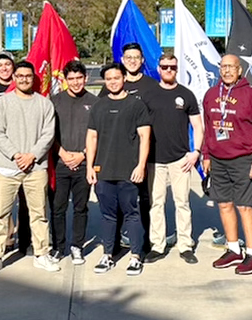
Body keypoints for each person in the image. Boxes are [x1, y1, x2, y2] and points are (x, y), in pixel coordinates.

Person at [0, 61, 58, 276]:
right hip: (7, 168)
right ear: (14, 78)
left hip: (36, 168)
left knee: (39, 213)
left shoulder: (44, 104)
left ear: (34, 78)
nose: (24, 79)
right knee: (1, 214)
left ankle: (42, 254)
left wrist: (32, 155)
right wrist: (16, 155)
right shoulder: (2, 103)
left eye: (28, 76)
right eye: (20, 76)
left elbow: (48, 134)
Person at [86, 63, 150, 276]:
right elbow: (92, 137)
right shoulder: (99, 106)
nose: (113, 81)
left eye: (117, 77)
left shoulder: (136, 105)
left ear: (124, 78)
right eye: (109, 78)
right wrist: (90, 167)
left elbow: (145, 137)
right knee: (108, 215)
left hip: (128, 171)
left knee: (132, 214)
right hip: (103, 170)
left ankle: (135, 256)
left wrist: (141, 165)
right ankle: (107, 254)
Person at [203, 54, 252, 275]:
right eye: (223, 66)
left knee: (244, 206)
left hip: (244, 158)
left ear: (240, 70)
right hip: (218, 159)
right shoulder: (211, 94)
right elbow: (209, 128)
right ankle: (233, 248)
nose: (227, 70)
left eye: (231, 67)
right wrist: (206, 154)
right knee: (224, 204)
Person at [145, 54, 203, 265]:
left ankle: (185, 245)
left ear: (177, 69)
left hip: (180, 159)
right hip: (154, 159)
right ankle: (157, 245)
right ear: (158, 69)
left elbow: (197, 126)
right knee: (156, 204)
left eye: (172, 67)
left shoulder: (186, 95)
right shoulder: (149, 94)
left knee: (182, 203)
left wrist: (195, 151)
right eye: (165, 67)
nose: (169, 70)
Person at [99, 42, 158, 254]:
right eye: (128, 57)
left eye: (136, 57)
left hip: (143, 156)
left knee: (142, 202)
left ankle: (142, 243)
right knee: (115, 205)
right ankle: (113, 244)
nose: (132, 60)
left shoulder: (152, 86)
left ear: (142, 60)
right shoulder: (109, 89)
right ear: (123, 61)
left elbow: (154, 123)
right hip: (116, 160)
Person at [49, 61, 98, 265]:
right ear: (65, 80)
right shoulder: (55, 101)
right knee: (58, 208)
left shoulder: (95, 102)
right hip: (60, 163)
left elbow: (98, 134)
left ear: (85, 78)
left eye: (79, 78)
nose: (76, 82)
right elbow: (47, 133)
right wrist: (62, 153)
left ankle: (77, 246)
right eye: (71, 79)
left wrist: (82, 155)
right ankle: (59, 247)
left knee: (81, 208)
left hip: (84, 164)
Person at [0, 51, 31, 254]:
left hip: (26, 153)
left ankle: (25, 237)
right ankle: (7, 235)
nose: (4, 68)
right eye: (0, 65)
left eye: (7, 64)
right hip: (0, 153)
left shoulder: (23, 87)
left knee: (26, 199)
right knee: (4, 200)